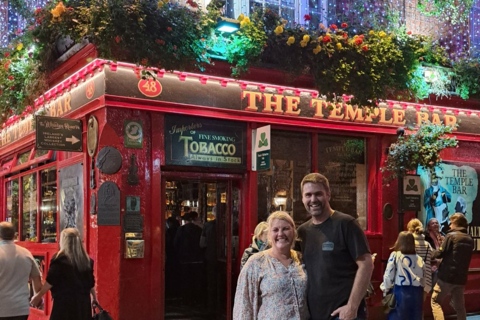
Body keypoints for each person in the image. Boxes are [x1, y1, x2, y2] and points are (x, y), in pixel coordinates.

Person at [297, 173, 373, 320]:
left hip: (343, 314)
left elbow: (366, 264)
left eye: (318, 194)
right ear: (302, 198)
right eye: (308, 195)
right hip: (315, 314)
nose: (313, 199)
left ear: (328, 195)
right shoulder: (302, 232)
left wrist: (352, 306)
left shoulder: (346, 224)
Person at [233, 211, 308, 320]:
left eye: (286, 229)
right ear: (269, 235)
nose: (280, 234)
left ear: (294, 232)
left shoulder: (301, 259)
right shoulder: (256, 262)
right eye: (275, 230)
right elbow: (243, 305)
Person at [30, 228, 97, 320]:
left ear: (63, 241)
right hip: (83, 304)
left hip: (64, 305)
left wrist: (38, 296)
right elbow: (91, 282)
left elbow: (50, 282)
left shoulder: (59, 260)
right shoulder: (87, 260)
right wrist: (94, 298)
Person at [431, 213, 473, 320]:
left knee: (435, 301)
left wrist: (430, 253)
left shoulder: (451, 236)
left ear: (456, 223)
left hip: (447, 276)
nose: (449, 225)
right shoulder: (469, 238)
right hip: (461, 278)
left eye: (451, 223)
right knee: (460, 307)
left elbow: (441, 253)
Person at [0, 221, 42, 320]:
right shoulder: (26, 253)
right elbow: (37, 280)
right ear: (14, 235)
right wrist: (37, 297)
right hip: (20, 308)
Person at [381, 231, 425, 320]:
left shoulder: (395, 255)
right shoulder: (419, 258)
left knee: (397, 316)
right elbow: (423, 277)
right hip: (417, 292)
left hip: (400, 291)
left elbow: (388, 275)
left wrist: (385, 289)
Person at [174, 211, 204, 306]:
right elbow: (203, 244)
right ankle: (197, 300)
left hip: (184, 259)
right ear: (193, 219)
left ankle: (186, 300)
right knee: (196, 281)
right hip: (197, 259)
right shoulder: (199, 230)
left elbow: (175, 244)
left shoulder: (181, 230)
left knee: (185, 280)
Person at [407, 218, 434, 296]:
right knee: (420, 304)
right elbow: (431, 256)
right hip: (426, 278)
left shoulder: (409, 244)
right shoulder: (427, 244)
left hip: (412, 278)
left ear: (409, 229)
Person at [200, 206, 217, 314]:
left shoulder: (207, 225)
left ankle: (211, 308)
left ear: (213, 213)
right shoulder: (231, 224)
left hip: (210, 257)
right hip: (226, 259)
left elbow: (202, 244)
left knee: (211, 283)